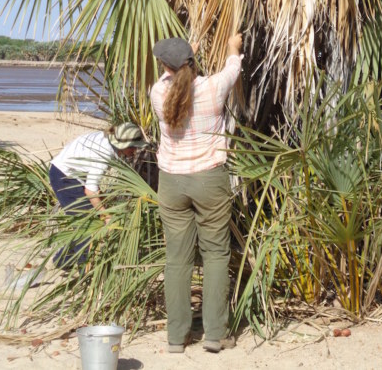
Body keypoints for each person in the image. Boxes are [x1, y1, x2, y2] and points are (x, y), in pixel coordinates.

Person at [150, 33, 243, 354]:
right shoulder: (212, 87)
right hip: (209, 180)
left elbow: (172, 79)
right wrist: (232, 47)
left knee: (177, 260)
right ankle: (216, 334)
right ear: (191, 61)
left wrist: (187, 54)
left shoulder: (158, 93)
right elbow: (233, 67)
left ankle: (177, 338)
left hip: (171, 183)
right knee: (216, 254)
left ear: (165, 66)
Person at [49, 122, 148, 268]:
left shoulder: (107, 138)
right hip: (64, 177)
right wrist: (106, 216)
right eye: (133, 147)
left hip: (71, 175)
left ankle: (62, 260)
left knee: (85, 221)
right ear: (122, 145)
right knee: (86, 226)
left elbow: (91, 185)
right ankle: (85, 272)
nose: (135, 151)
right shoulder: (104, 152)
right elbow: (90, 191)